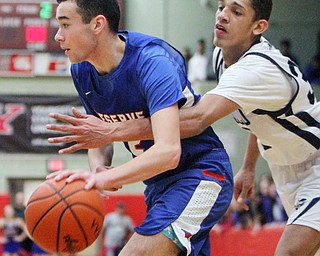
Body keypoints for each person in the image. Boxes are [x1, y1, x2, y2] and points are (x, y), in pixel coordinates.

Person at [47, 0, 320, 255]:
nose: (222, 14)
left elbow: (195, 122)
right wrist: (248, 166)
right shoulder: (224, 59)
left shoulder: (155, 61)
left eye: (236, 11)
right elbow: (259, 114)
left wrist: (111, 163)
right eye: (222, 5)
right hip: (169, 182)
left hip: (206, 172)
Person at [46, 0, 233, 255]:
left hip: (199, 171)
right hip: (157, 187)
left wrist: (103, 177)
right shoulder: (82, 70)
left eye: (65, 25)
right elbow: (99, 135)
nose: (58, 36)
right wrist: (98, 167)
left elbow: (168, 152)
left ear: (98, 24)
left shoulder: (152, 61)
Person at [13, 192, 33, 256]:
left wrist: (22, 236)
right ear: (15, 199)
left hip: (26, 239)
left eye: (21, 199)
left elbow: (28, 226)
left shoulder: (27, 210)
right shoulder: (12, 210)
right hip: (14, 238)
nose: (20, 200)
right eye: (19, 199)